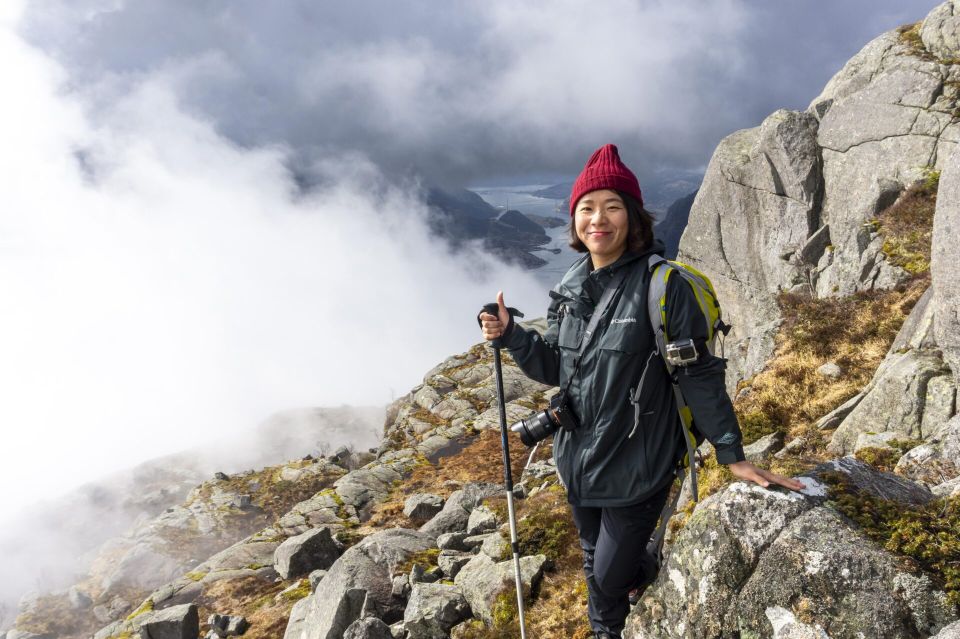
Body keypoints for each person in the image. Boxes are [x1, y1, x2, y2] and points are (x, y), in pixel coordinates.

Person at [478, 143, 804, 639]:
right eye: (586, 208)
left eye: (612, 207)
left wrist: (732, 454)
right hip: (579, 459)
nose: (598, 219)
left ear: (633, 218)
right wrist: (513, 336)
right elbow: (556, 369)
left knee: (608, 574)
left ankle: (633, 585)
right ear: (575, 221)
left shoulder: (662, 287)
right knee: (595, 564)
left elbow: (699, 377)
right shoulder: (572, 291)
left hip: (639, 464)